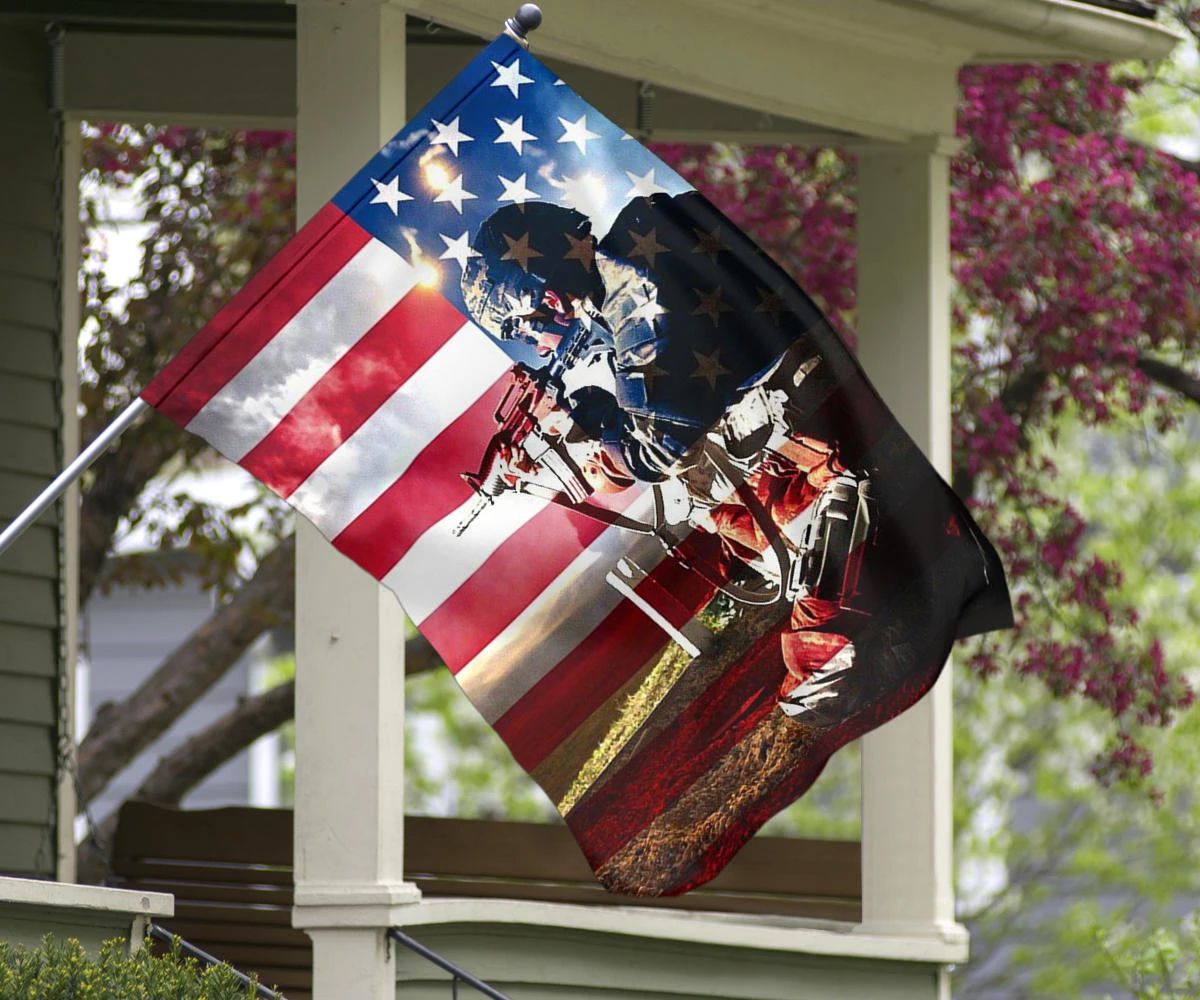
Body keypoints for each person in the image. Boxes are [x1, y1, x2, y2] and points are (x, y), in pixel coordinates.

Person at [460, 193, 875, 720]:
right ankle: (808, 539)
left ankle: (827, 612)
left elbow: (652, 452)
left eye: (523, 329)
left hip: (820, 400)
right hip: (817, 362)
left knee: (692, 481)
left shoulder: (631, 290)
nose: (538, 347)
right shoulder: (639, 246)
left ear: (548, 298)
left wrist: (591, 415)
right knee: (711, 500)